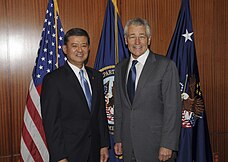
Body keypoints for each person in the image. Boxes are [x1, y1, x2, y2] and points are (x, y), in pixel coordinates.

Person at [114, 18, 182, 162]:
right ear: (126, 40)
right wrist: (118, 138)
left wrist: (167, 144)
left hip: (156, 147)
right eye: (132, 37)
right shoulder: (120, 68)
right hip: (128, 145)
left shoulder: (165, 66)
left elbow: (173, 109)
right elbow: (120, 107)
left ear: (149, 39)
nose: (137, 42)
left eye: (142, 36)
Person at [41, 28, 110, 162]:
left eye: (84, 45)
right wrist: (60, 156)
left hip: (95, 151)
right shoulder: (53, 80)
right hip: (70, 153)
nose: (80, 50)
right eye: (74, 46)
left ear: (89, 48)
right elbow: (52, 123)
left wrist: (104, 145)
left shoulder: (96, 76)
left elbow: (100, 114)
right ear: (65, 49)